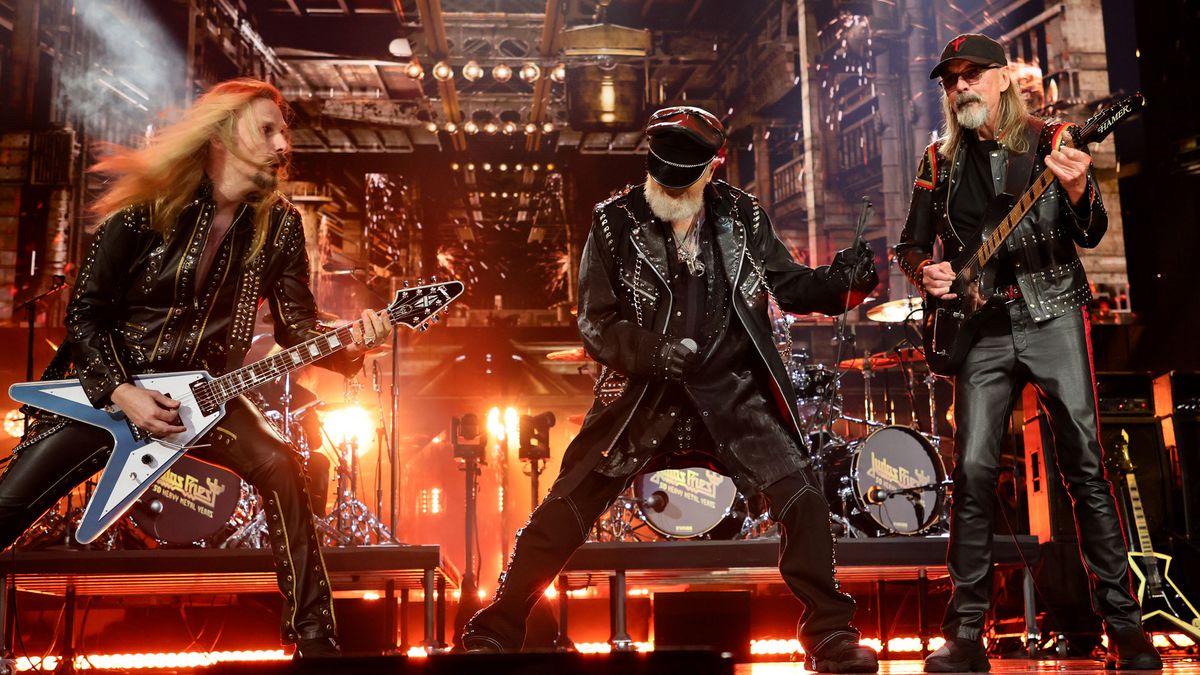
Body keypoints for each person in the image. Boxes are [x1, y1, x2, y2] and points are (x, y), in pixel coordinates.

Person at [461, 106, 880, 672]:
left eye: (683, 168)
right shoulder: (613, 222)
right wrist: (655, 354)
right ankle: (499, 626)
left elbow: (791, 285)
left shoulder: (744, 217)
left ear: (713, 166)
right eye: (660, 167)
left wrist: (842, 284)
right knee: (567, 504)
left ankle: (829, 633)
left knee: (801, 496)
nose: (667, 181)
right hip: (642, 393)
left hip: (731, 390)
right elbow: (595, 321)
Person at [0, 78, 392, 658]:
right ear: (220, 134)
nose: (283, 144)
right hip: (107, 392)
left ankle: (316, 641)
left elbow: (297, 330)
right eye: (268, 129)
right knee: (8, 507)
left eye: (284, 132)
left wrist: (356, 343)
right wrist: (123, 392)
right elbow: (85, 314)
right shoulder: (146, 209)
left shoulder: (279, 225)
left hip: (206, 396)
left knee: (284, 469)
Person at [894, 34, 1161, 672]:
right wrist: (924, 275)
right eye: (950, 79)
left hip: (1053, 311)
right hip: (979, 328)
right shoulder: (938, 160)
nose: (960, 87)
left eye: (972, 76)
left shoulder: (1053, 141)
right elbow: (910, 244)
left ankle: (1123, 625)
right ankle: (965, 635)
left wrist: (1075, 190)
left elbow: (1092, 230)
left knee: (1086, 468)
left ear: (1003, 80)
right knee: (974, 473)